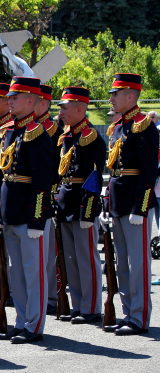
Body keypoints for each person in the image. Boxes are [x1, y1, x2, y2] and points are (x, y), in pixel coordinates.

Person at [0, 76, 53, 344]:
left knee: (33, 272)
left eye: (15, 98)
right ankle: (20, 320)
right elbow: (1, 175)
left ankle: (34, 324)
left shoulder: (37, 133)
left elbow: (42, 181)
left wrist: (37, 219)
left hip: (30, 216)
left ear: (31, 101)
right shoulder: (10, 131)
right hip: (11, 213)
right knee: (15, 273)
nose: (9, 101)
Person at [103, 73, 158, 335]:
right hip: (118, 203)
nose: (111, 98)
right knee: (122, 262)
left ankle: (139, 317)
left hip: (135, 204)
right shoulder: (118, 127)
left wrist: (141, 206)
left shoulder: (143, 125)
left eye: (116, 94)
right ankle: (127, 313)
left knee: (138, 264)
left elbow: (148, 171)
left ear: (130, 96)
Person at [55, 86, 106, 324]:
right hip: (66, 202)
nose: (61, 111)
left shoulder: (89, 137)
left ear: (78, 109)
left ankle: (91, 307)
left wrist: (89, 211)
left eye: (64, 108)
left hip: (82, 203)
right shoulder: (68, 135)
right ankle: (77, 305)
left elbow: (93, 178)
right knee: (72, 258)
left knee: (86, 257)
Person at [36, 84, 61, 315]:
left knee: (48, 253)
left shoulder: (53, 129)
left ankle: (51, 296)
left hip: (48, 196)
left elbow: (54, 168)